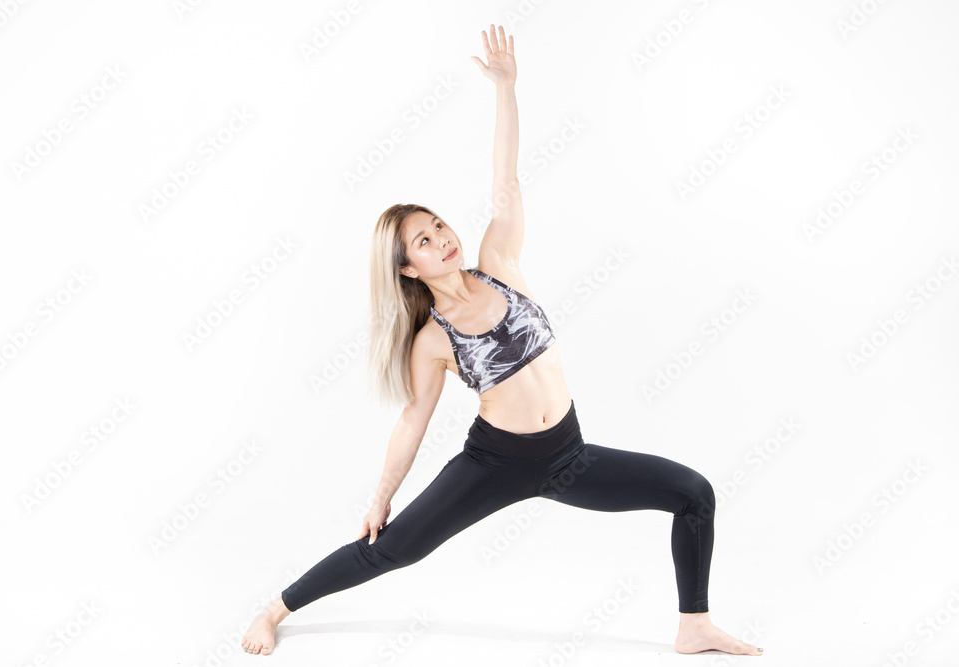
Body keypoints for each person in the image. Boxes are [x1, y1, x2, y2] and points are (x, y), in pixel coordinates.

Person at [241, 24, 763, 657]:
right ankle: (275, 607)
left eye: (438, 226)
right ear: (408, 269)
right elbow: (412, 420)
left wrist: (506, 90)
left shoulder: (500, 263)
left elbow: (506, 182)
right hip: (494, 465)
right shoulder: (433, 339)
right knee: (394, 550)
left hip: (569, 456)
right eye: (424, 242)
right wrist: (381, 497)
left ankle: (694, 624)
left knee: (694, 494)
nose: (442, 239)